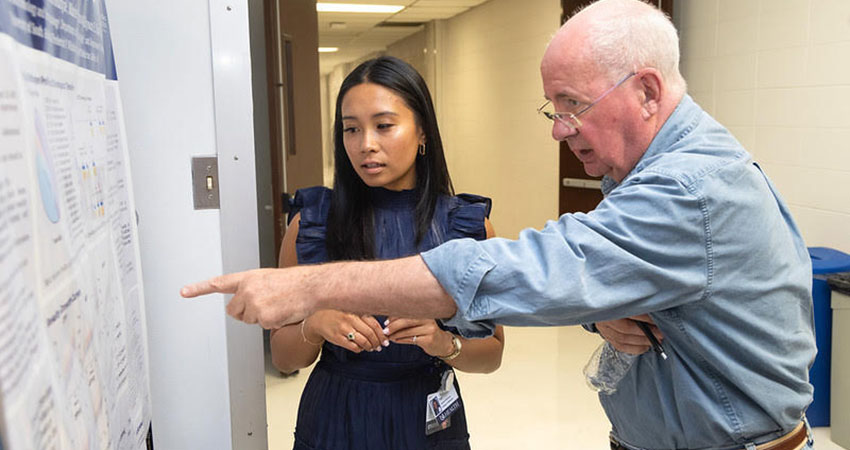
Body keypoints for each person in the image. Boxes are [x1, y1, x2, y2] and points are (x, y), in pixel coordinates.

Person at [182, 1, 817, 449]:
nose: (558, 127)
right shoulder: (649, 173)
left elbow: (541, 270)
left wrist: (311, 289)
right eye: (553, 105)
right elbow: (610, 276)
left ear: (647, 91)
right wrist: (603, 313)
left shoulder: (684, 186)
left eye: (572, 104)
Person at [266, 56, 505, 450]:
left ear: (423, 130)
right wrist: (314, 325)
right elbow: (283, 357)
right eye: (351, 129)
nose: (366, 145)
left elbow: (492, 353)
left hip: (427, 421)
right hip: (336, 418)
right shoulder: (312, 225)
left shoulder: (465, 229)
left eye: (384, 126)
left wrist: (445, 344)